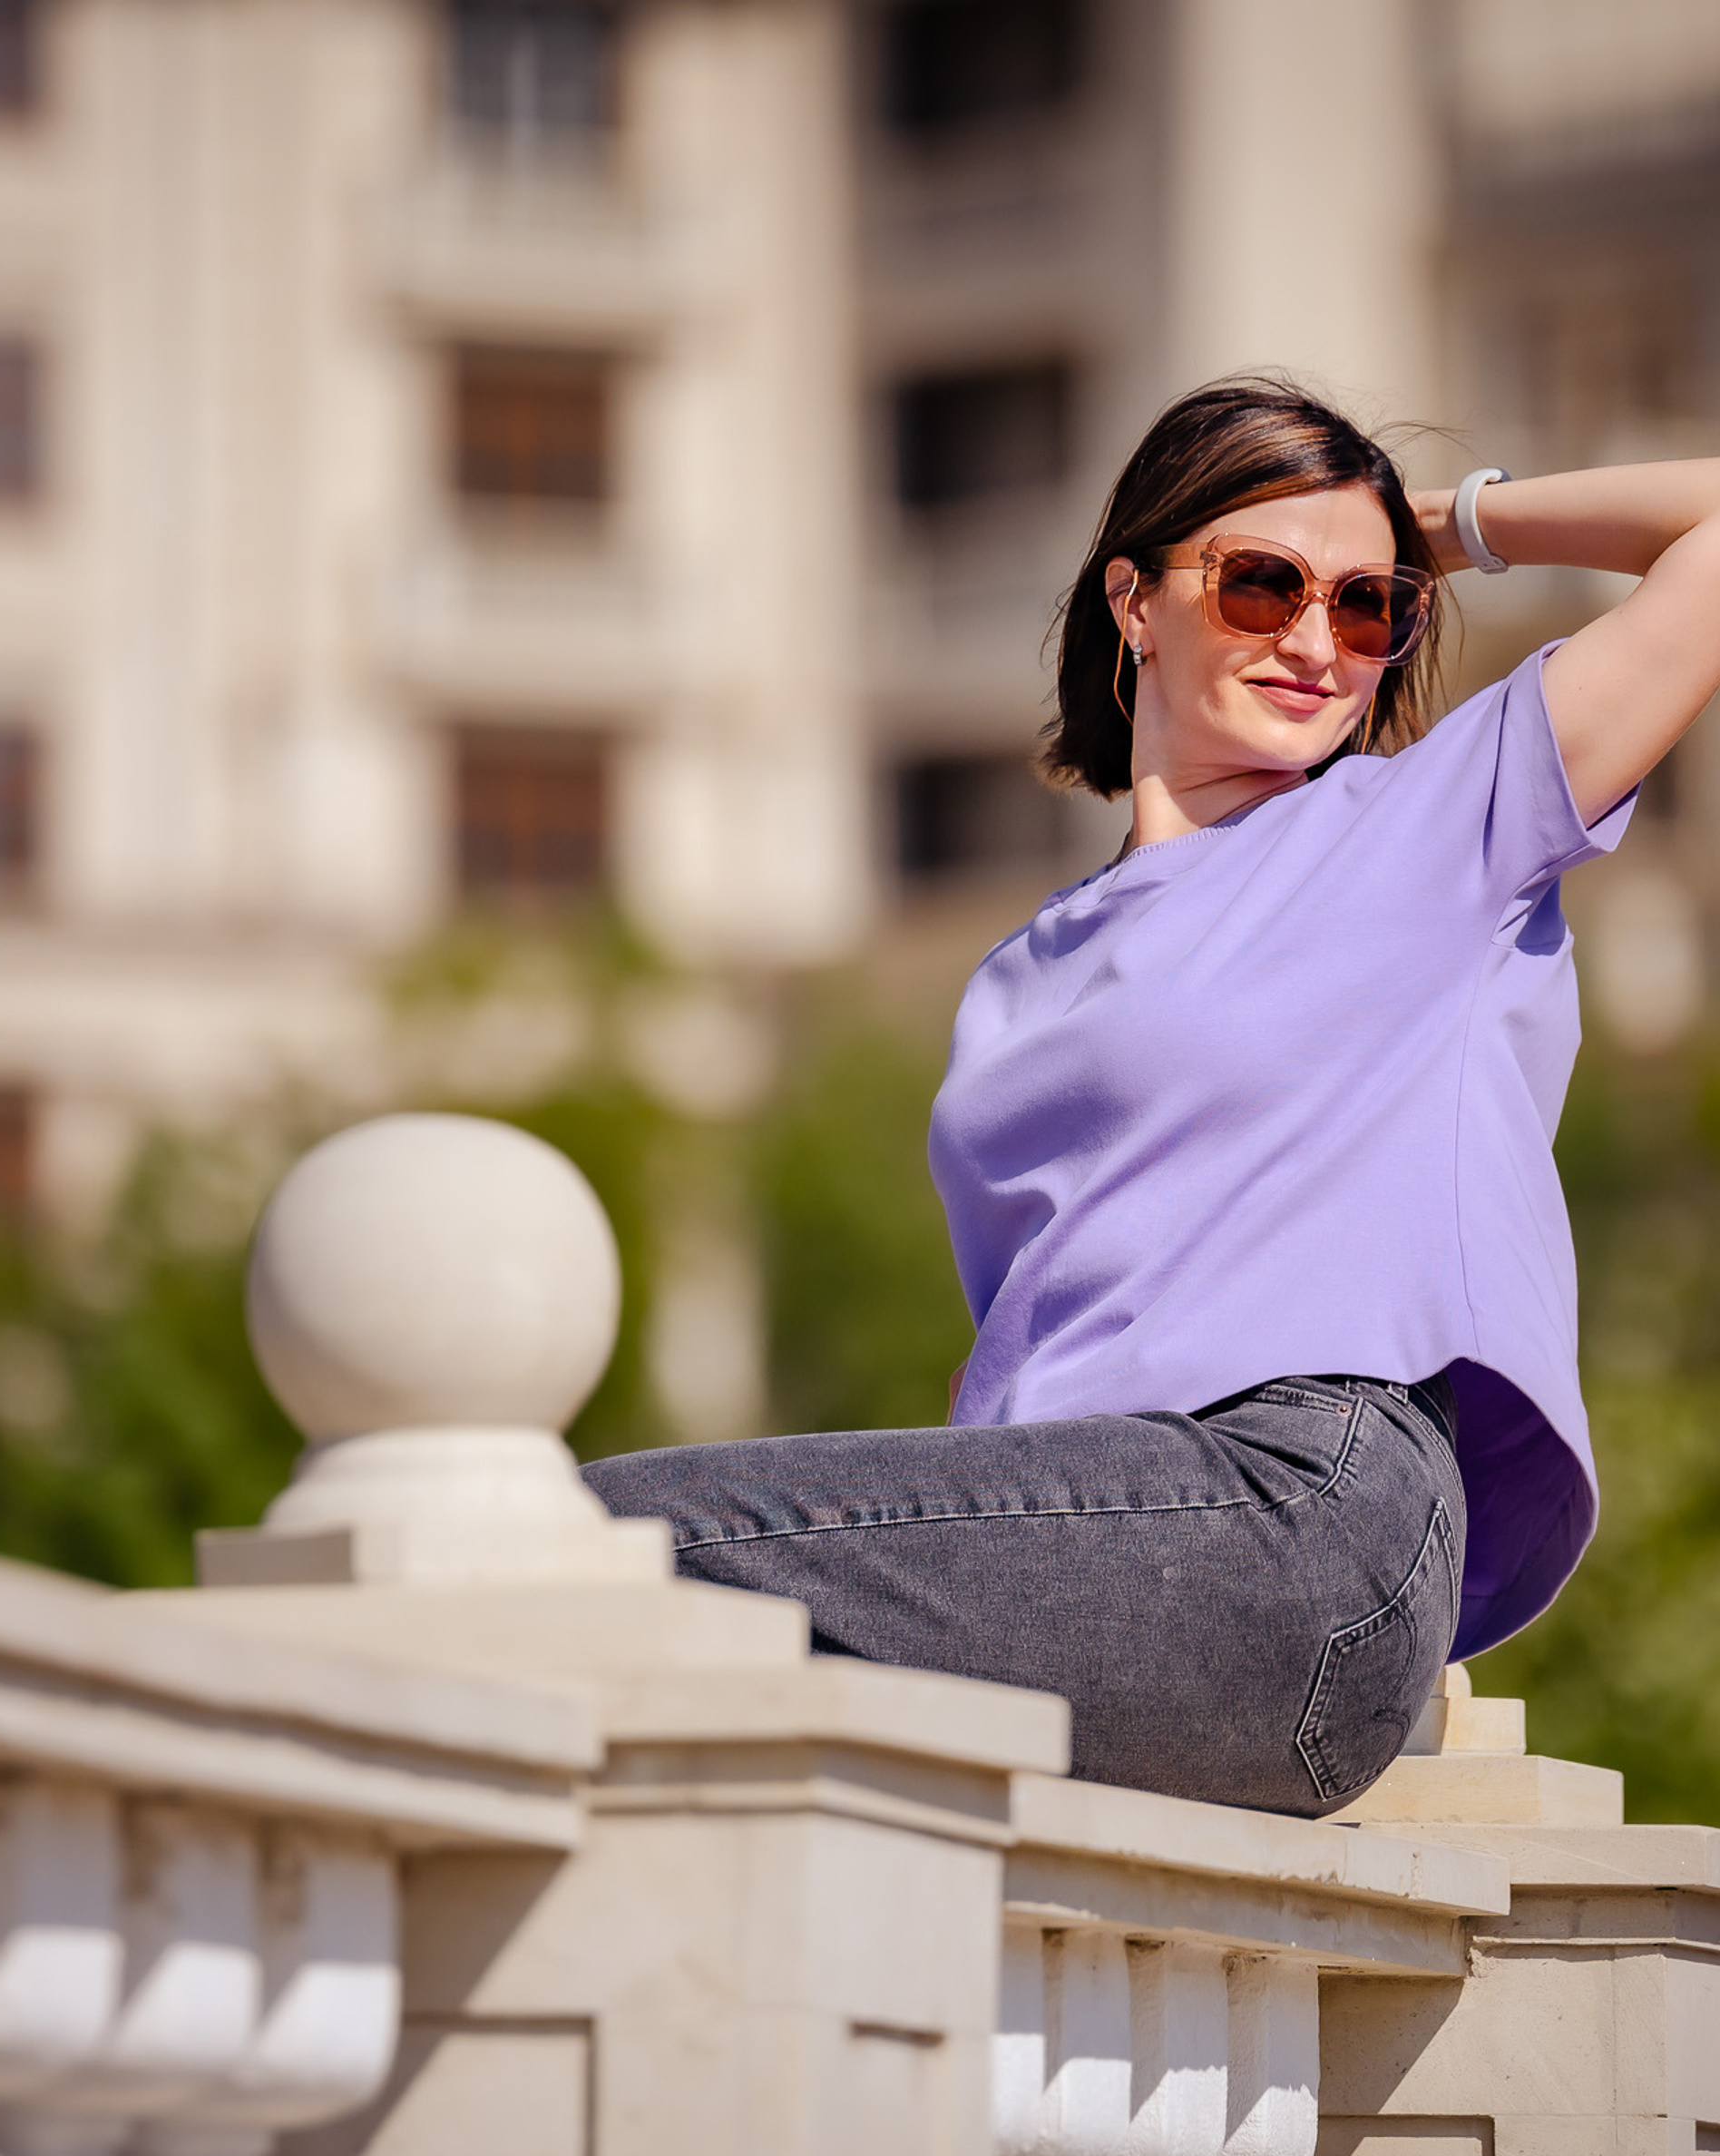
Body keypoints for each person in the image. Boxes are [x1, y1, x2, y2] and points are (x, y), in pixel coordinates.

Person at [585, 377, 1720, 1815]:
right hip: (1099, 1519)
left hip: (1304, 1511)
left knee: (572, 1539)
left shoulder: (1434, 827)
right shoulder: (1020, 976)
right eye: (1261, 584)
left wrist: (1440, 525)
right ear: (1134, 601)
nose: (1315, 639)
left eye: (1368, 607)